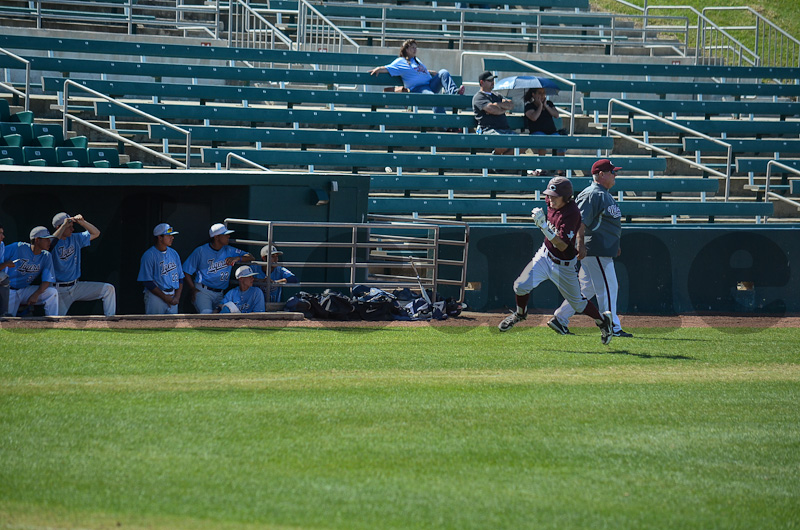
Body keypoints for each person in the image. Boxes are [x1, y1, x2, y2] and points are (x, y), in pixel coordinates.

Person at [497, 176, 614, 345]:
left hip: (564, 265)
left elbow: (561, 245)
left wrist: (544, 227)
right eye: (549, 194)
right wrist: (578, 242)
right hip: (545, 255)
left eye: (554, 195)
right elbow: (574, 227)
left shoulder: (571, 213)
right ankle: (520, 314)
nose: (550, 198)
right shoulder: (552, 201)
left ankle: (603, 322)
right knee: (520, 286)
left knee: (578, 304)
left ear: (566, 197)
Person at [550, 159, 633, 338]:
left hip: (602, 249)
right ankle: (613, 327)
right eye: (612, 172)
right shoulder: (593, 194)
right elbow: (579, 222)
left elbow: (606, 223)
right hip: (595, 249)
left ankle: (560, 318)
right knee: (609, 287)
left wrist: (615, 245)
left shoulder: (603, 193)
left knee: (587, 289)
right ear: (601, 174)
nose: (615, 175)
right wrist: (579, 245)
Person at [369, 39, 465, 115]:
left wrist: (430, 72)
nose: (415, 49)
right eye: (412, 48)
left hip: (430, 84)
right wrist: (378, 69)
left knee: (443, 72)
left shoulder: (416, 60)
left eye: (416, 47)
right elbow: (388, 68)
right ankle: (446, 125)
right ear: (406, 49)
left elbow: (418, 71)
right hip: (418, 89)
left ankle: (454, 93)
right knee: (434, 98)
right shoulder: (401, 61)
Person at [50, 212, 116, 317]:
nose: (72, 229)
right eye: (69, 227)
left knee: (108, 289)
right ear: (59, 227)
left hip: (76, 286)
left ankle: (111, 320)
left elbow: (96, 233)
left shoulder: (75, 238)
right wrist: (64, 225)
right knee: (56, 321)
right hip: (58, 290)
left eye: (72, 226)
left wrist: (82, 222)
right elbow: (50, 243)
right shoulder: (51, 242)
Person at [182, 223, 254, 314]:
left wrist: (237, 258)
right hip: (204, 291)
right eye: (225, 234)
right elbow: (186, 271)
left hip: (220, 293)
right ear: (216, 237)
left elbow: (250, 256)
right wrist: (192, 288)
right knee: (207, 315)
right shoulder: (200, 251)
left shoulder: (229, 250)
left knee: (222, 316)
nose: (228, 236)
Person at [4, 226, 59, 317]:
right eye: (46, 239)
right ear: (37, 240)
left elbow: (47, 281)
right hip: (9, 291)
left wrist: (36, 294)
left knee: (52, 292)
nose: (49, 242)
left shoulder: (46, 256)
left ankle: (54, 323)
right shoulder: (17, 247)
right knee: (8, 320)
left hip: (25, 290)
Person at [137, 223, 184, 315]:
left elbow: (181, 278)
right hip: (156, 297)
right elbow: (147, 281)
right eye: (168, 235)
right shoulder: (149, 255)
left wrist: (177, 297)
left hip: (173, 295)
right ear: (160, 237)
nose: (172, 238)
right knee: (154, 326)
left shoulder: (174, 253)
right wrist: (164, 297)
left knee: (174, 328)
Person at [472, 70, 517, 155]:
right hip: (489, 130)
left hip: (505, 129)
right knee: (503, 143)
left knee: (524, 144)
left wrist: (497, 105)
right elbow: (492, 109)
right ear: (482, 82)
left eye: (493, 80)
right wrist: (503, 108)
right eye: (489, 81)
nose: (492, 82)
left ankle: (500, 161)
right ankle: (495, 158)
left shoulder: (497, 95)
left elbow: (510, 104)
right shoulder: (479, 97)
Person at [523, 87, 566, 167]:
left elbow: (556, 115)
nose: (542, 95)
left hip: (551, 132)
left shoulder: (549, 104)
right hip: (537, 132)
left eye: (543, 93)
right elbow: (534, 117)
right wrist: (540, 106)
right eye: (539, 93)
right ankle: (542, 167)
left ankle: (561, 168)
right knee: (542, 139)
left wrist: (546, 106)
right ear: (534, 94)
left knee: (561, 142)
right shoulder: (529, 106)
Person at [0, 223, 15, 316]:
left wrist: (5, 265)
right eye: (0, 233)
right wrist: (6, 264)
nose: (3, 236)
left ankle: (3, 313)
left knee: (4, 279)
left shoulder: (1, 245)